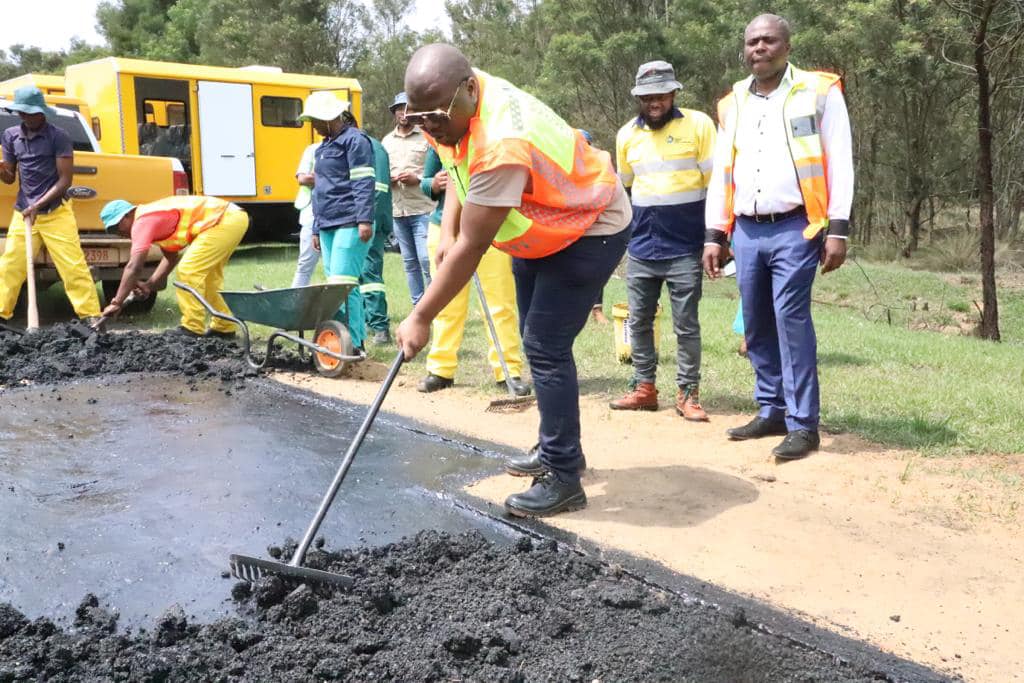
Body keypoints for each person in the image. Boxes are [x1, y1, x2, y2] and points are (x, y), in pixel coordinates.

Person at [395, 44, 632, 517]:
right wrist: (447, 227)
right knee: (536, 341)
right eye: (419, 117)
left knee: (545, 345)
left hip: (590, 224)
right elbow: (458, 165)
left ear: (467, 88)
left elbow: (474, 246)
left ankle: (564, 478)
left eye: (435, 116)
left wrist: (422, 315)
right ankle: (558, 447)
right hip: (541, 230)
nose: (428, 127)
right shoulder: (454, 104)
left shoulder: (502, 138)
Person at [703, 14, 853, 460]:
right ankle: (771, 408)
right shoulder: (733, 103)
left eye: (768, 40)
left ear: (786, 46)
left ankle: (803, 424)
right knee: (756, 320)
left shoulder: (818, 93)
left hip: (797, 226)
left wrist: (838, 227)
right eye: (752, 42)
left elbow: (840, 160)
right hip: (746, 230)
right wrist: (715, 233)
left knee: (791, 320)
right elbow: (720, 173)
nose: (759, 48)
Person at [610, 61, 715, 422]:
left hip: (686, 245)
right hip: (641, 246)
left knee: (686, 324)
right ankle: (644, 388)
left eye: (662, 94)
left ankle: (688, 393)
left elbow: (714, 185)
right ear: (639, 97)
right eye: (647, 96)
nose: (655, 101)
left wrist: (716, 237)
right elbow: (625, 187)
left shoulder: (699, 125)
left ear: (674, 93)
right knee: (638, 320)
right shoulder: (626, 135)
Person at [417, 145, 529, 396]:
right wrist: (433, 184)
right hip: (446, 231)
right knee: (446, 305)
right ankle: (440, 370)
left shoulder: (492, 141)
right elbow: (425, 183)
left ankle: (507, 370)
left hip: (492, 229)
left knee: (499, 303)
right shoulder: (440, 142)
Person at [0, 86, 101, 323]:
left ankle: (92, 318)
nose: (25, 117)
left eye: (30, 113)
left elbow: (65, 181)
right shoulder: (11, 136)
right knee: (10, 267)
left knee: (73, 268)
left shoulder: (59, 136)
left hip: (56, 212)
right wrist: (2, 170)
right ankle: (2, 315)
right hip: (24, 214)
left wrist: (38, 205)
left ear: (41, 113)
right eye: (21, 113)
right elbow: (10, 178)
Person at [98, 195, 249, 336]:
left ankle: (192, 327)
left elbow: (134, 267)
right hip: (231, 218)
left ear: (127, 215)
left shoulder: (142, 221)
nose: (118, 232)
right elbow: (171, 257)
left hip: (223, 219)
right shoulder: (153, 220)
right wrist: (149, 285)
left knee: (188, 270)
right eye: (112, 230)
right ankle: (224, 327)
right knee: (209, 278)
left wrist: (116, 302)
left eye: (117, 226)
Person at [301, 92, 375, 351]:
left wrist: (364, 219)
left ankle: (354, 343)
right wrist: (316, 227)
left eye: (316, 120)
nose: (313, 126)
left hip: (351, 222)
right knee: (336, 289)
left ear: (331, 117)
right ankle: (342, 342)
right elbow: (318, 192)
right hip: (328, 224)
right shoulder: (323, 148)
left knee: (343, 286)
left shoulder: (355, 141)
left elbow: (363, 182)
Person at [382, 92, 435, 304]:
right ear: (394, 113)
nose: (404, 113)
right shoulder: (386, 141)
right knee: (409, 262)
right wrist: (389, 180)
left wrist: (418, 178)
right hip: (398, 210)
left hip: (422, 208)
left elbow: (438, 172)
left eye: (408, 108)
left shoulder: (427, 137)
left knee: (426, 260)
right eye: (399, 109)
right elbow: (382, 172)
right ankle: (418, 307)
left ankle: (435, 306)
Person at [355, 111, 394, 346]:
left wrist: (369, 221)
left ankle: (380, 327)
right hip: (357, 220)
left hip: (370, 221)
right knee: (357, 275)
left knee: (370, 274)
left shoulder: (373, 148)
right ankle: (364, 322)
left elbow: (378, 188)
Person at [579, 129, 610, 325]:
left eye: (586, 144)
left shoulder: (600, 165)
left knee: (596, 268)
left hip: (595, 225)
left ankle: (597, 311)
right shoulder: (563, 164)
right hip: (568, 227)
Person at [291, 139, 321, 288]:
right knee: (305, 264)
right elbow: (302, 178)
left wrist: (317, 176)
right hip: (310, 214)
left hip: (337, 215)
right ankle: (293, 303)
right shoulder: (313, 149)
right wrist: (330, 175)